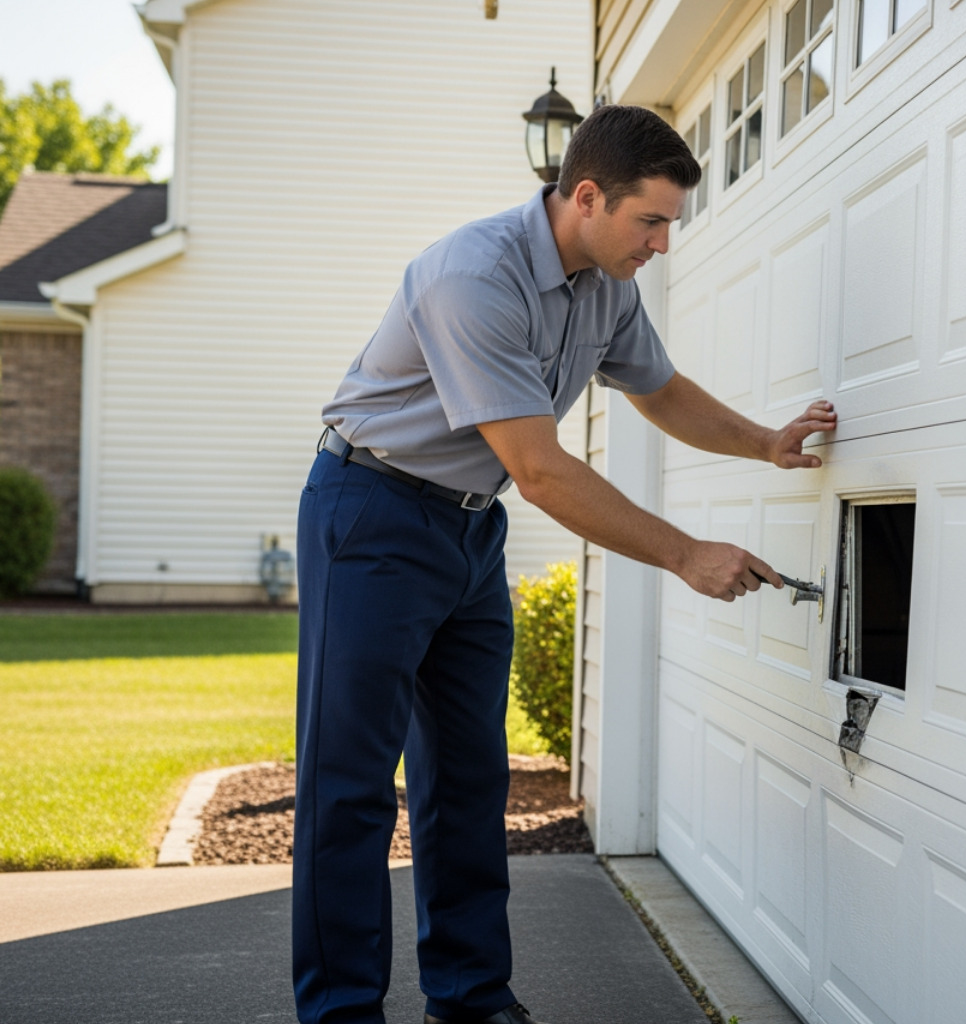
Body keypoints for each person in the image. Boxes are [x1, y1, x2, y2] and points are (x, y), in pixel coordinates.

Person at [293, 104, 836, 1024]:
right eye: (650, 221)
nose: (663, 244)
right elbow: (541, 470)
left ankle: (471, 999)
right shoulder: (472, 277)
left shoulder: (607, 284)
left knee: (468, 779)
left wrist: (764, 444)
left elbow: (659, 390)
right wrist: (683, 553)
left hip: (468, 530)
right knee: (348, 785)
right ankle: (342, 1012)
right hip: (371, 517)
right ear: (586, 196)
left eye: (670, 222)